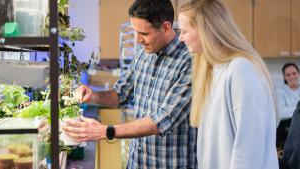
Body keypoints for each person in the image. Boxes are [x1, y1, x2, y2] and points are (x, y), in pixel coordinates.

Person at [62, 0, 197, 168]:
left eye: (144, 33)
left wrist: (106, 131)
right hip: (136, 163)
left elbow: (164, 119)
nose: (138, 40)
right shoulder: (142, 52)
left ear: (166, 28)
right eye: (135, 32)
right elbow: (121, 93)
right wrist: (93, 96)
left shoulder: (190, 61)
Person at [178, 0, 278, 169]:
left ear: (205, 30)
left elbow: (249, 149)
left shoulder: (241, 69)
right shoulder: (211, 70)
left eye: (184, 31)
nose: (180, 39)